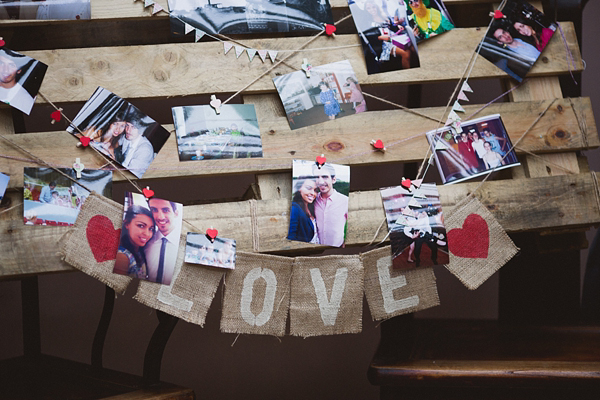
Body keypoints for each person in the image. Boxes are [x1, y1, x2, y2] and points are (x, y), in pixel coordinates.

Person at [144, 198, 182, 285]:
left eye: (165, 210)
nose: (160, 217)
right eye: (154, 210)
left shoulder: (184, 244)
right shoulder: (145, 243)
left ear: (176, 213)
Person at [312, 164, 349, 247]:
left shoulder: (345, 201)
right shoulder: (313, 200)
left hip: (338, 247)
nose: (321, 182)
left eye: (325, 177)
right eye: (317, 177)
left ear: (333, 179)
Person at [114, 205, 155, 280]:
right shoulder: (122, 257)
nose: (147, 233)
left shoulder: (141, 249)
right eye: (141, 226)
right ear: (127, 224)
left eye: (151, 229)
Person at [0, 48, 35, 114]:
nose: (6, 70)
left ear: (19, 70)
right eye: (1, 64)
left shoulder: (25, 99)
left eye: (11, 65)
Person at [287, 177, 319, 244]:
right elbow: (291, 238)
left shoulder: (312, 208)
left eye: (315, 190)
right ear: (299, 188)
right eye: (308, 188)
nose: (313, 193)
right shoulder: (294, 208)